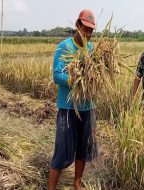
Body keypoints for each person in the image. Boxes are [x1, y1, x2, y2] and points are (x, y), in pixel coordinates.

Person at [48, 9, 98, 190]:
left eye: (92, 31)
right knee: (61, 152)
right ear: (77, 25)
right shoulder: (64, 47)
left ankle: (77, 182)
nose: (89, 34)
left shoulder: (92, 49)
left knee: (84, 149)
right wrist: (77, 79)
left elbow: (95, 74)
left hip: (88, 107)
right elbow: (57, 76)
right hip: (68, 108)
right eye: (86, 29)